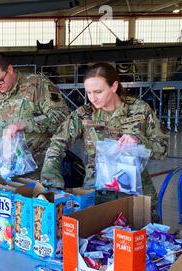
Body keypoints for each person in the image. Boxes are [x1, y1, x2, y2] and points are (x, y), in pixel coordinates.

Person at [40, 62, 169, 219]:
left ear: (114, 86)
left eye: (98, 91)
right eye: (88, 92)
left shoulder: (140, 110)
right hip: (96, 193)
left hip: (135, 192)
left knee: (144, 237)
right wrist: (51, 175)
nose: (93, 98)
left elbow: (162, 149)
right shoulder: (83, 115)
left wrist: (139, 141)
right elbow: (57, 143)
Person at [0, 52, 70, 173]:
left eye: (0, 81)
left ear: (9, 69)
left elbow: (62, 115)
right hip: (7, 171)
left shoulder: (37, 85)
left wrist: (26, 124)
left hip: (42, 169)